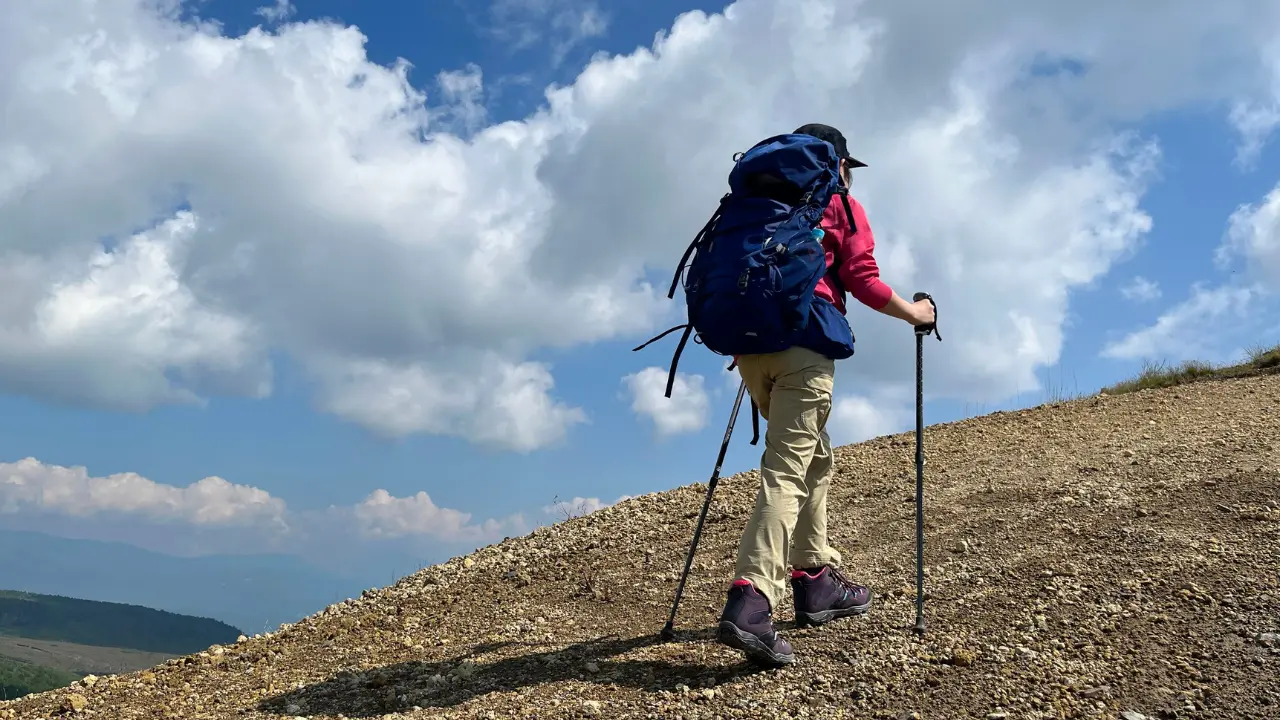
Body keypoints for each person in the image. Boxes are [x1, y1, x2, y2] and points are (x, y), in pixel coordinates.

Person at [716, 123, 936, 667]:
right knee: (787, 470)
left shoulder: (754, 200)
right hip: (805, 344)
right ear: (835, 162)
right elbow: (861, 278)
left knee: (814, 458)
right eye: (846, 167)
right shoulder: (835, 201)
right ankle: (752, 599)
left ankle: (814, 580)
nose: (847, 175)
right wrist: (915, 313)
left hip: (750, 350)